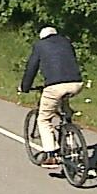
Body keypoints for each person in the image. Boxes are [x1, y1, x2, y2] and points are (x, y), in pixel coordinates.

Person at [19, 25, 84, 167]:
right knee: (64, 107)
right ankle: (69, 134)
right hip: (76, 83)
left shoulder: (40, 45)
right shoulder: (66, 42)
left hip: (55, 86)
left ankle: (51, 155)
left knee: (44, 119)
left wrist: (25, 87)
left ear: (42, 36)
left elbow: (31, 68)